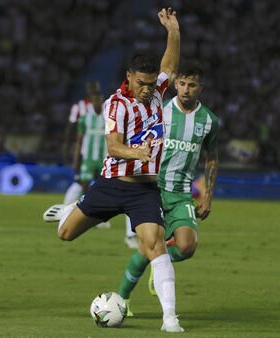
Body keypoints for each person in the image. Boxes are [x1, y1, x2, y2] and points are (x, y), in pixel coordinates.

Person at [56, 8, 182, 332]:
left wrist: (173, 32)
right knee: (65, 234)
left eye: (152, 83)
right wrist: (136, 152)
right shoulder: (116, 104)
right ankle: (69, 209)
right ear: (129, 76)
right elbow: (112, 147)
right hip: (112, 184)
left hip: (144, 190)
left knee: (154, 243)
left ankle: (170, 318)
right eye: (142, 83)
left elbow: (170, 64)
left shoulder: (157, 91)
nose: (147, 89)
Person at [117, 61, 219, 315]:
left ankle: (158, 264)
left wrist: (207, 195)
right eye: (182, 83)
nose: (186, 89)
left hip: (181, 192)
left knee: (186, 246)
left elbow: (212, 158)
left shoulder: (208, 120)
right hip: (152, 190)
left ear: (200, 88)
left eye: (192, 85)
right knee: (149, 246)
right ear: (175, 84)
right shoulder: (160, 111)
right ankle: (122, 298)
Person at [43, 82, 138, 245]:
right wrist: (74, 158)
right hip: (88, 158)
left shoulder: (109, 116)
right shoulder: (85, 117)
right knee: (84, 184)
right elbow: (79, 139)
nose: (96, 101)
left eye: (98, 98)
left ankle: (82, 212)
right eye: (93, 98)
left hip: (106, 159)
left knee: (108, 190)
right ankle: (70, 209)